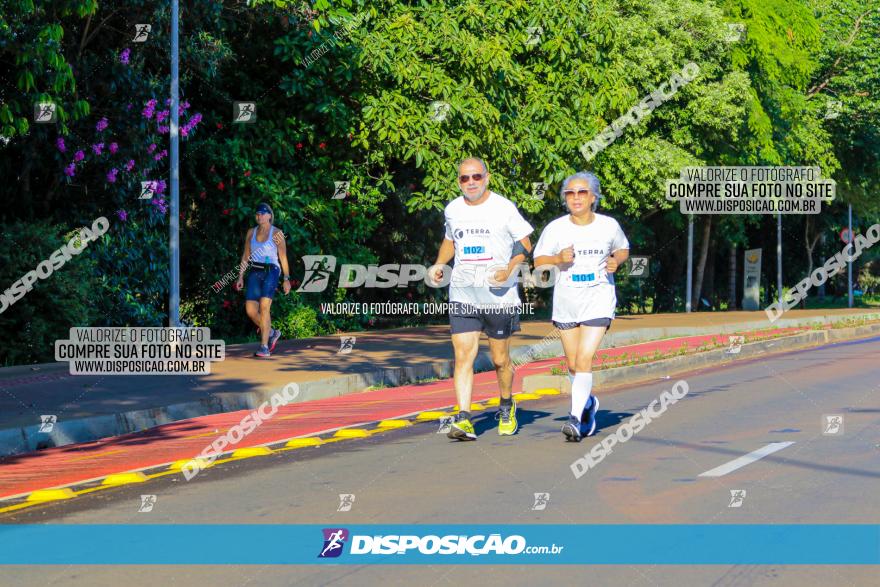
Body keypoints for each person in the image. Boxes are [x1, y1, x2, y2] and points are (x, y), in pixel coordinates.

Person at [429, 157, 533, 440]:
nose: (471, 182)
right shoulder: (453, 209)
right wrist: (440, 263)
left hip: (498, 296)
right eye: (465, 178)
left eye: (476, 176)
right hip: (464, 293)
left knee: (500, 360)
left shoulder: (503, 207)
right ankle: (463, 418)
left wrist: (509, 270)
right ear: (459, 182)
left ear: (487, 178)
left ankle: (506, 404)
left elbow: (525, 243)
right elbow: (451, 240)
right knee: (463, 355)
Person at [533, 172, 629, 441]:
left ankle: (574, 418)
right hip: (567, 302)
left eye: (582, 192)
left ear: (593, 197)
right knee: (573, 363)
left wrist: (616, 261)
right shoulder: (556, 228)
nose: (576, 197)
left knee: (585, 358)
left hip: (599, 299)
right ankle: (587, 403)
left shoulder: (608, 225)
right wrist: (557, 257)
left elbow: (622, 249)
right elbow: (539, 261)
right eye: (570, 193)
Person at [234, 203, 292, 358]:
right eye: (257, 214)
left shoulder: (277, 233)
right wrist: (240, 276)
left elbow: (283, 257)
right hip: (255, 270)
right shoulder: (251, 232)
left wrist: (286, 279)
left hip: (271, 270)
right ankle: (272, 332)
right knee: (251, 311)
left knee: (265, 307)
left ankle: (264, 346)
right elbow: (246, 256)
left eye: (262, 213)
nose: (258, 216)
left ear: (269, 216)